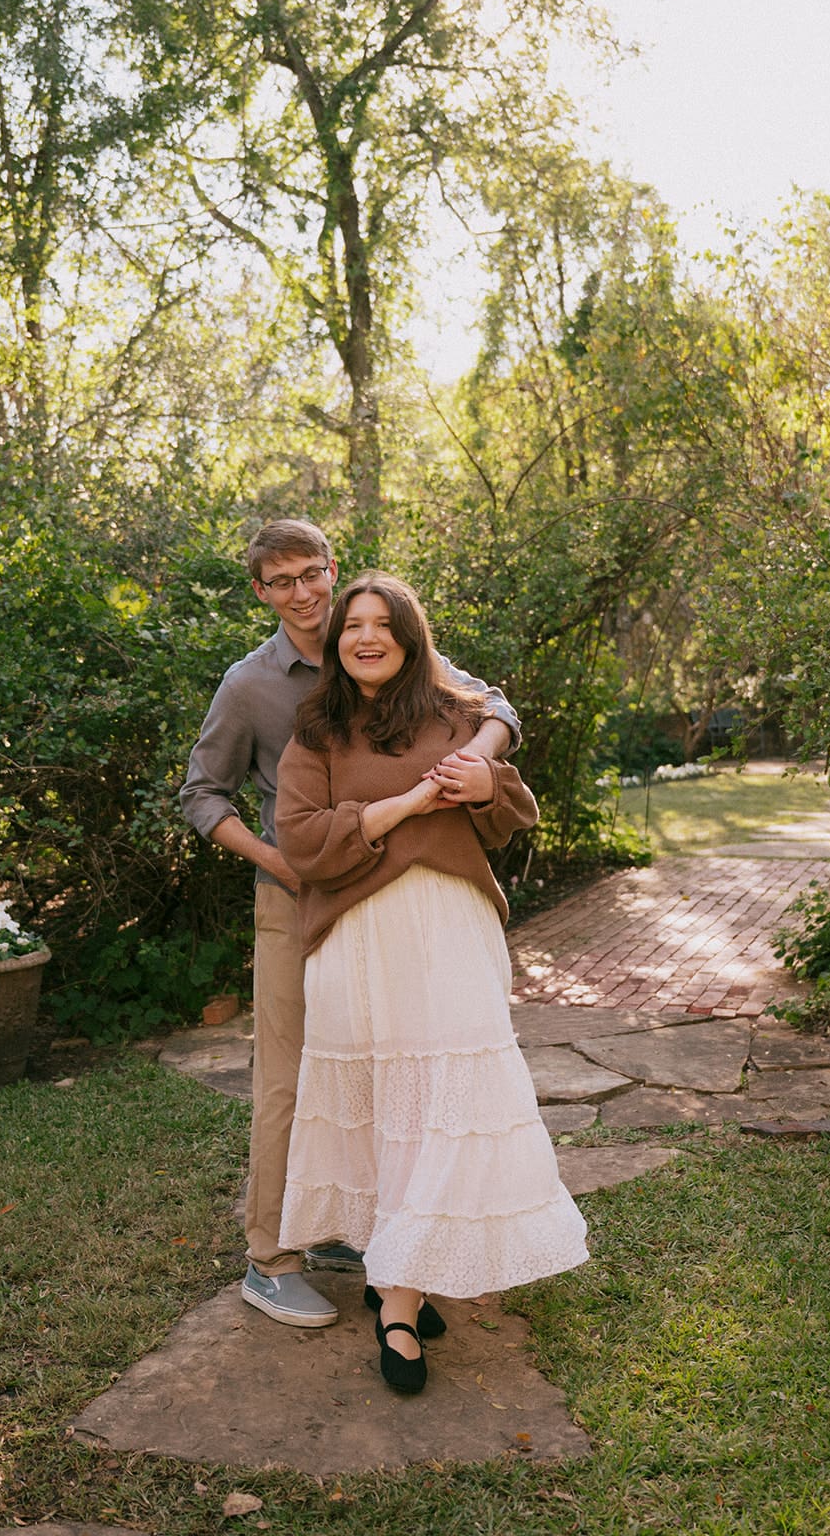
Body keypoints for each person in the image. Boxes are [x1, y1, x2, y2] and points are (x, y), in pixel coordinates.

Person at [179, 520, 521, 1329]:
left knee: (377, 1070)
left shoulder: (374, 637)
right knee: (289, 1080)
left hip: (392, 899)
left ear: (331, 572)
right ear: (259, 592)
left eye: (311, 573)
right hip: (299, 890)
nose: (302, 592)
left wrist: (482, 758)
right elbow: (201, 795)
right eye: (280, 580)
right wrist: (277, 863)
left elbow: (490, 704)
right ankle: (270, 1259)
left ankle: (350, 1229)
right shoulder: (251, 684)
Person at [274, 573, 589, 1394]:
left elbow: (509, 813)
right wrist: (403, 806)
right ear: (336, 640)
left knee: (447, 1105)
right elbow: (302, 842)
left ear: (412, 639)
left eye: (384, 625)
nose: (366, 638)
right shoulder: (315, 731)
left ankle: (399, 1285)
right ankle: (399, 1289)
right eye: (353, 626)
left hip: (450, 931)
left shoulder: (456, 715)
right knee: (383, 1110)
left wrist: (488, 784)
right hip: (356, 941)